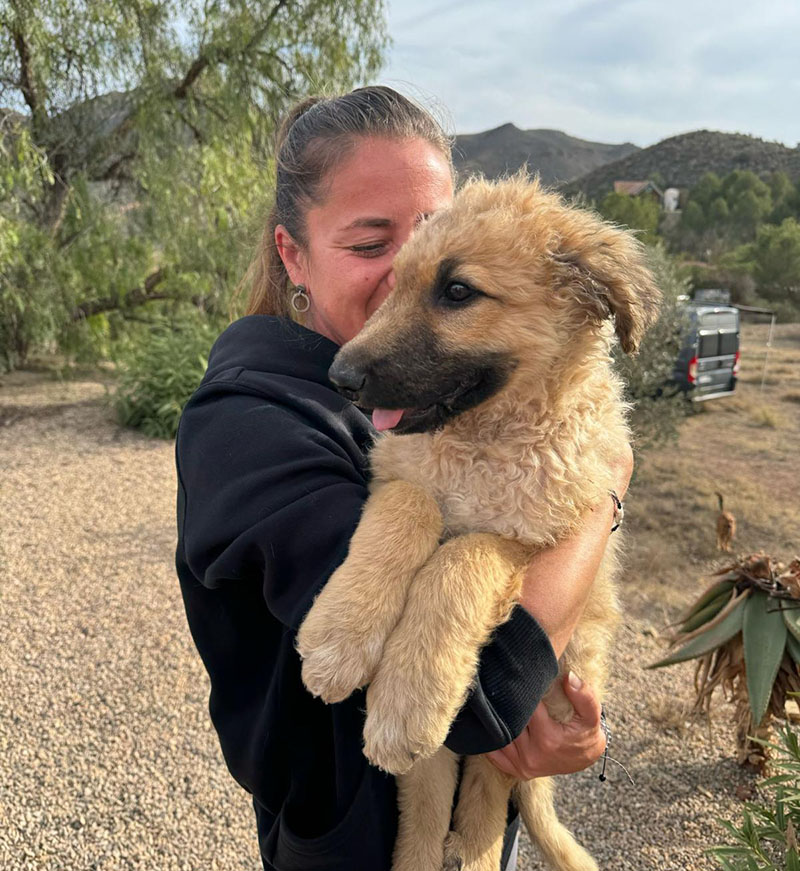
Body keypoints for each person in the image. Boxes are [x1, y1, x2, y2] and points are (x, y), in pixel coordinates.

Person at [175, 86, 632, 871]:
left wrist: (567, 721)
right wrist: (608, 491)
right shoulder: (245, 427)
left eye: (431, 234)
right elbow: (486, 693)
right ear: (293, 254)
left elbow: (534, 659)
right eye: (368, 242)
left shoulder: (432, 398)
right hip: (346, 847)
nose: (404, 273)